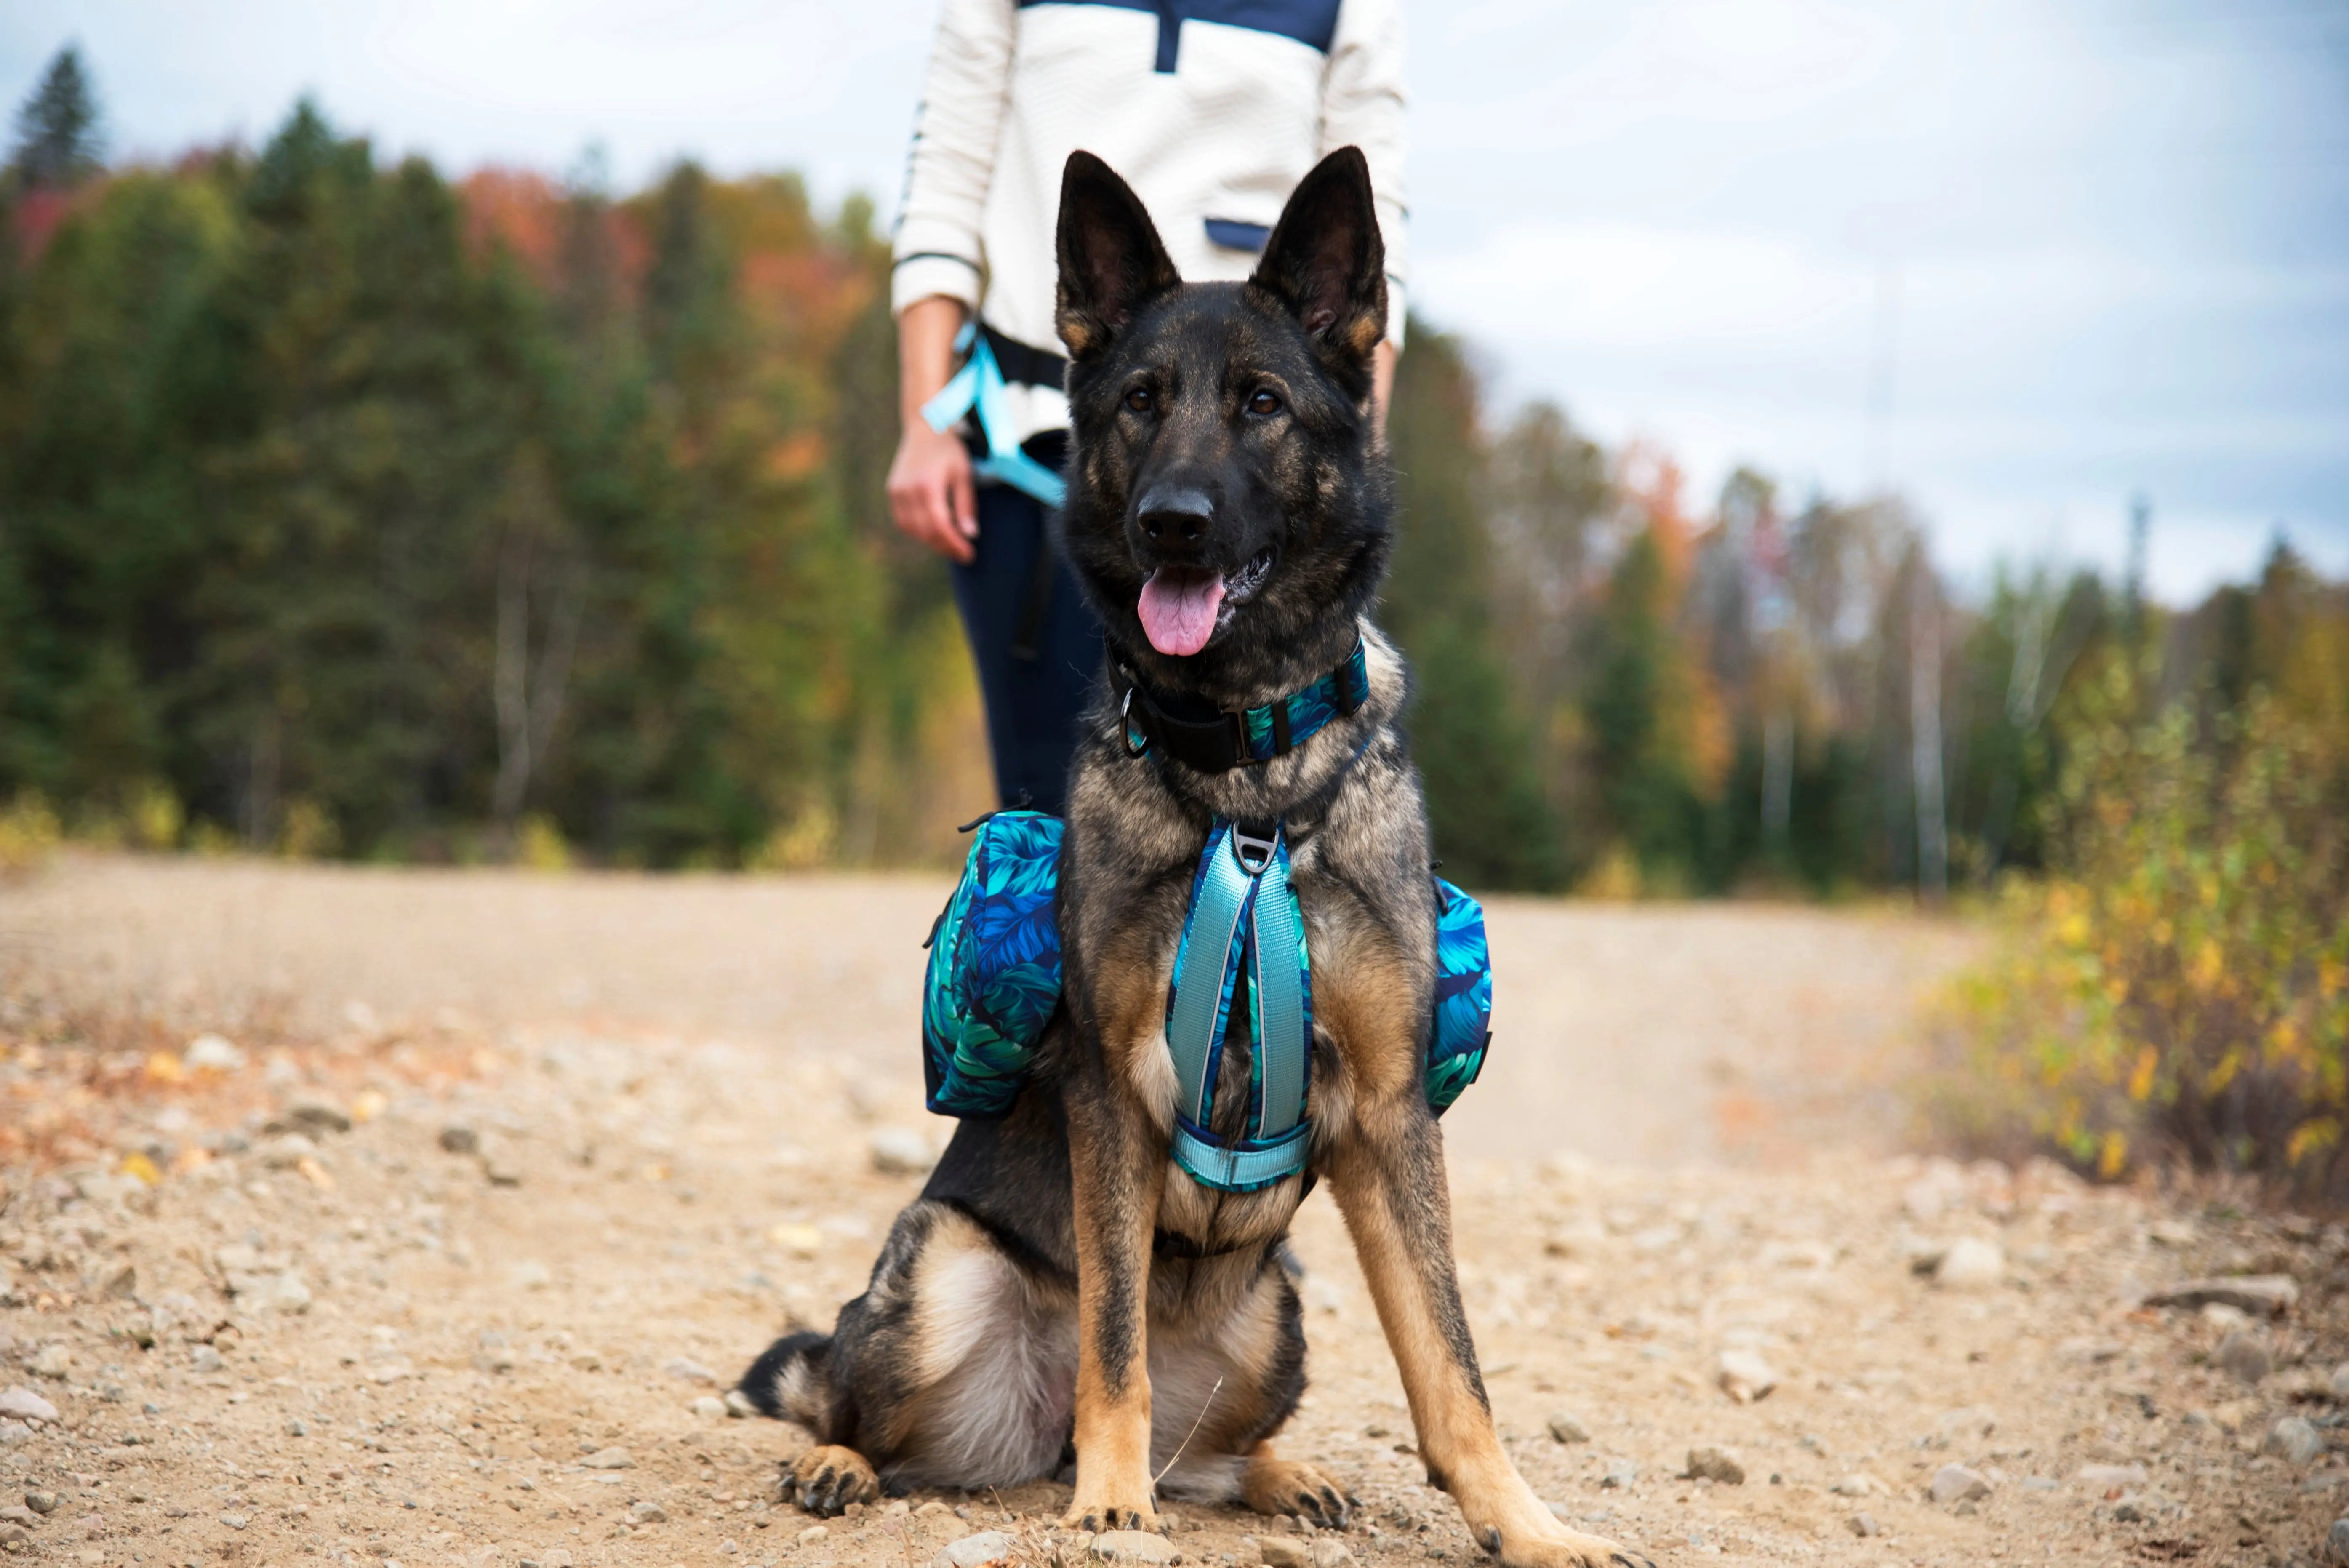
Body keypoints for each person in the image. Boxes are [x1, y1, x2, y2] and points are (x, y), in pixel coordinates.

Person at [885, 0, 1409, 817]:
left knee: (1278, 842)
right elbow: (946, 171)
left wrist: (1350, 442)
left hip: (1268, 465)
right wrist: (926, 417)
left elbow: (1377, 211)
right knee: (1046, 832)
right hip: (1042, 456)